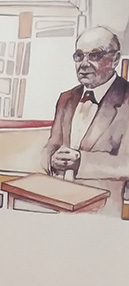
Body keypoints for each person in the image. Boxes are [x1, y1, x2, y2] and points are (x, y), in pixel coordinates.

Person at [43, 26, 129, 217]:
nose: (84, 64)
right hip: (60, 207)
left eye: (95, 55)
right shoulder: (66, 98)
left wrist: (81, 161)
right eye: (79, 56)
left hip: (103, 214)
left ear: (115, 59)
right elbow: (51, 146)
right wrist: (51, 159)